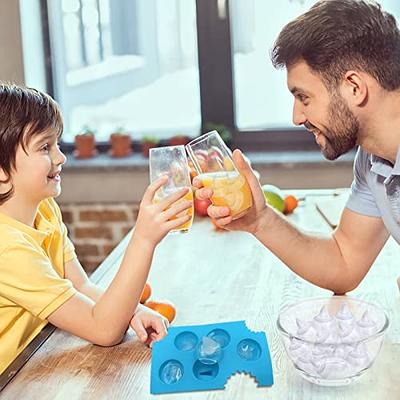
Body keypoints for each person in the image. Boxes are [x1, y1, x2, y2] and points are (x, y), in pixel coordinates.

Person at [195, 0, 400, 294]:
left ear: (354, 87)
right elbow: (344, 263)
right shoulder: (373, 159)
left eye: (304, 97)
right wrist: (260, 220)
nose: (297, 117)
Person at [0, 84, 192, 373]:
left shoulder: (45, 210)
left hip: (33, 359)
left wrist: (134, 312)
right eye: (44, 147)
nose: (60, 157)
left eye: (57, 144)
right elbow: (103, 330)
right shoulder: (7, 247)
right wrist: (143, 239)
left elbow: (82, 286)